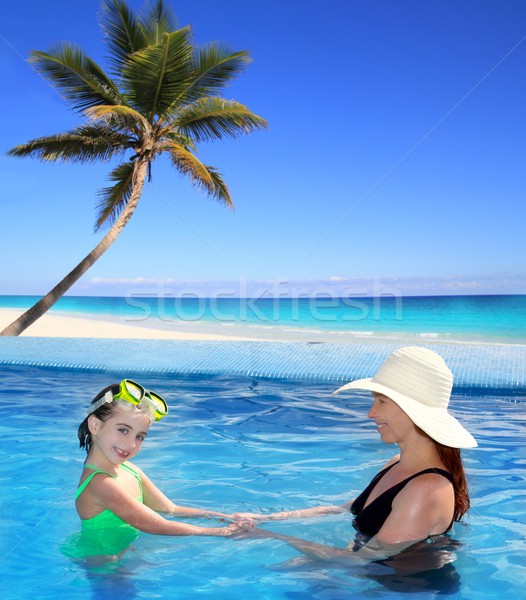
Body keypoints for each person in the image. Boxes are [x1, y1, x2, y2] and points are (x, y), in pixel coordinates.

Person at [234, 346, 477, 565]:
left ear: (412, 410)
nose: (371, 414)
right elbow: (344, 510)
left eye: (381, 402)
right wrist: (265, 518)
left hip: (401, 591)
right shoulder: (396, 465)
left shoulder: (427, 488)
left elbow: (360, 561)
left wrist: (269, 536)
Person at [62, 379, 249, 561]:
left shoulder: (130, 470)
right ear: (95, 425)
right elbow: (157, 526)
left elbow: (170, 509)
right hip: (104, 565)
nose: (130, 443)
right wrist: (221, 532)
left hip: (124, 553)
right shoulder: (100, 483)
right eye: (123, 430)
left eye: (140, 436)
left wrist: (225, 517)